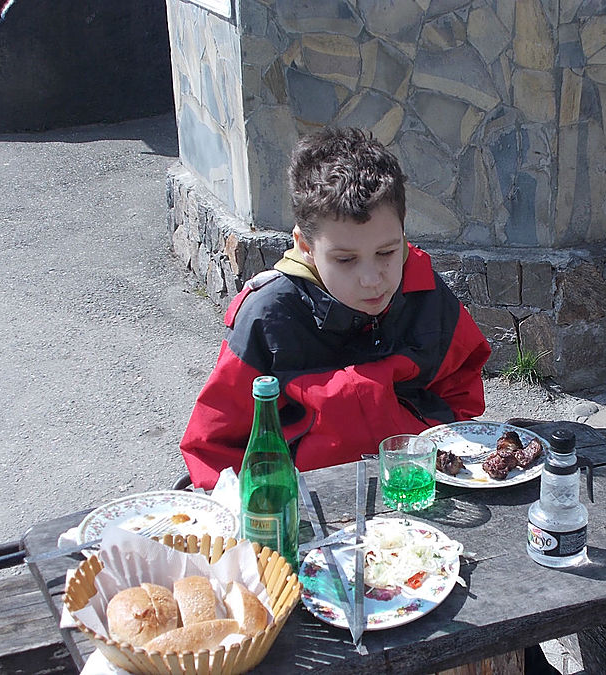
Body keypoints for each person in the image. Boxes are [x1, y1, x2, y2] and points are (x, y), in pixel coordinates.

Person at [181, 127, 491, 489]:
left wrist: (440, 450)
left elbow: (461, 392)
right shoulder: (267, 318)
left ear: (404, 234)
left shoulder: (426, 293)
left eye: (387, 253)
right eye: (345, 260)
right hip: (308, 507)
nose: (372, 279)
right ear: (305, 246)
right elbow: (214, 447)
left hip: (417, 489)